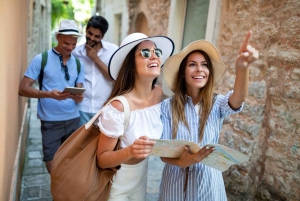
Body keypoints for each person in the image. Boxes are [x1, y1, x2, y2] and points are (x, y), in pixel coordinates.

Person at [158, 30, 259, 201]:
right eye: (192, 64)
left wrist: (243, 69)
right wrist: (182, 162)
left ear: (209, 72)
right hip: (175, 185)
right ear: (183, 72)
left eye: (204, 65)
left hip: (208, 185)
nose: (199, 69)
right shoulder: (167, 107)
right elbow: (162, 151)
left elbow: (238, 98)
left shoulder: (217, 104)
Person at [96, 32, 174, 200]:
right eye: (145, 53)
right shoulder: (118, 107)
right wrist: (130, 150)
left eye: (157, 52)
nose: (154, 56)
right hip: (117, 182)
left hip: (141, 177)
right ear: (131, 65)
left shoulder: (158, 94)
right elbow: (102, 159)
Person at [19, 19, 85, 174]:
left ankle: (67, 194)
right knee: (52, 162)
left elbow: (79, 88)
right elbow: (23, 89)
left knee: (71, 162)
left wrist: (79, 97)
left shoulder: (78, 63)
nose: (70, 48)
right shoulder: (41, 59)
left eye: (73, 45)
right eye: (66, 44)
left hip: (73, 119)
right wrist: (48, 94)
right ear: (58, 37)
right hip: (50, 121)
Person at [72, 15, 119, 126]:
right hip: (81, 108)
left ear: (102, 36)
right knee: (81, 143)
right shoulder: (75, 53)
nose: (92, 38)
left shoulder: (113, 51)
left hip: (104, 109)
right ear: (86, 30)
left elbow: (114, 78)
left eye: (97, 36)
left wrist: (95, 59)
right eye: (90, 33)